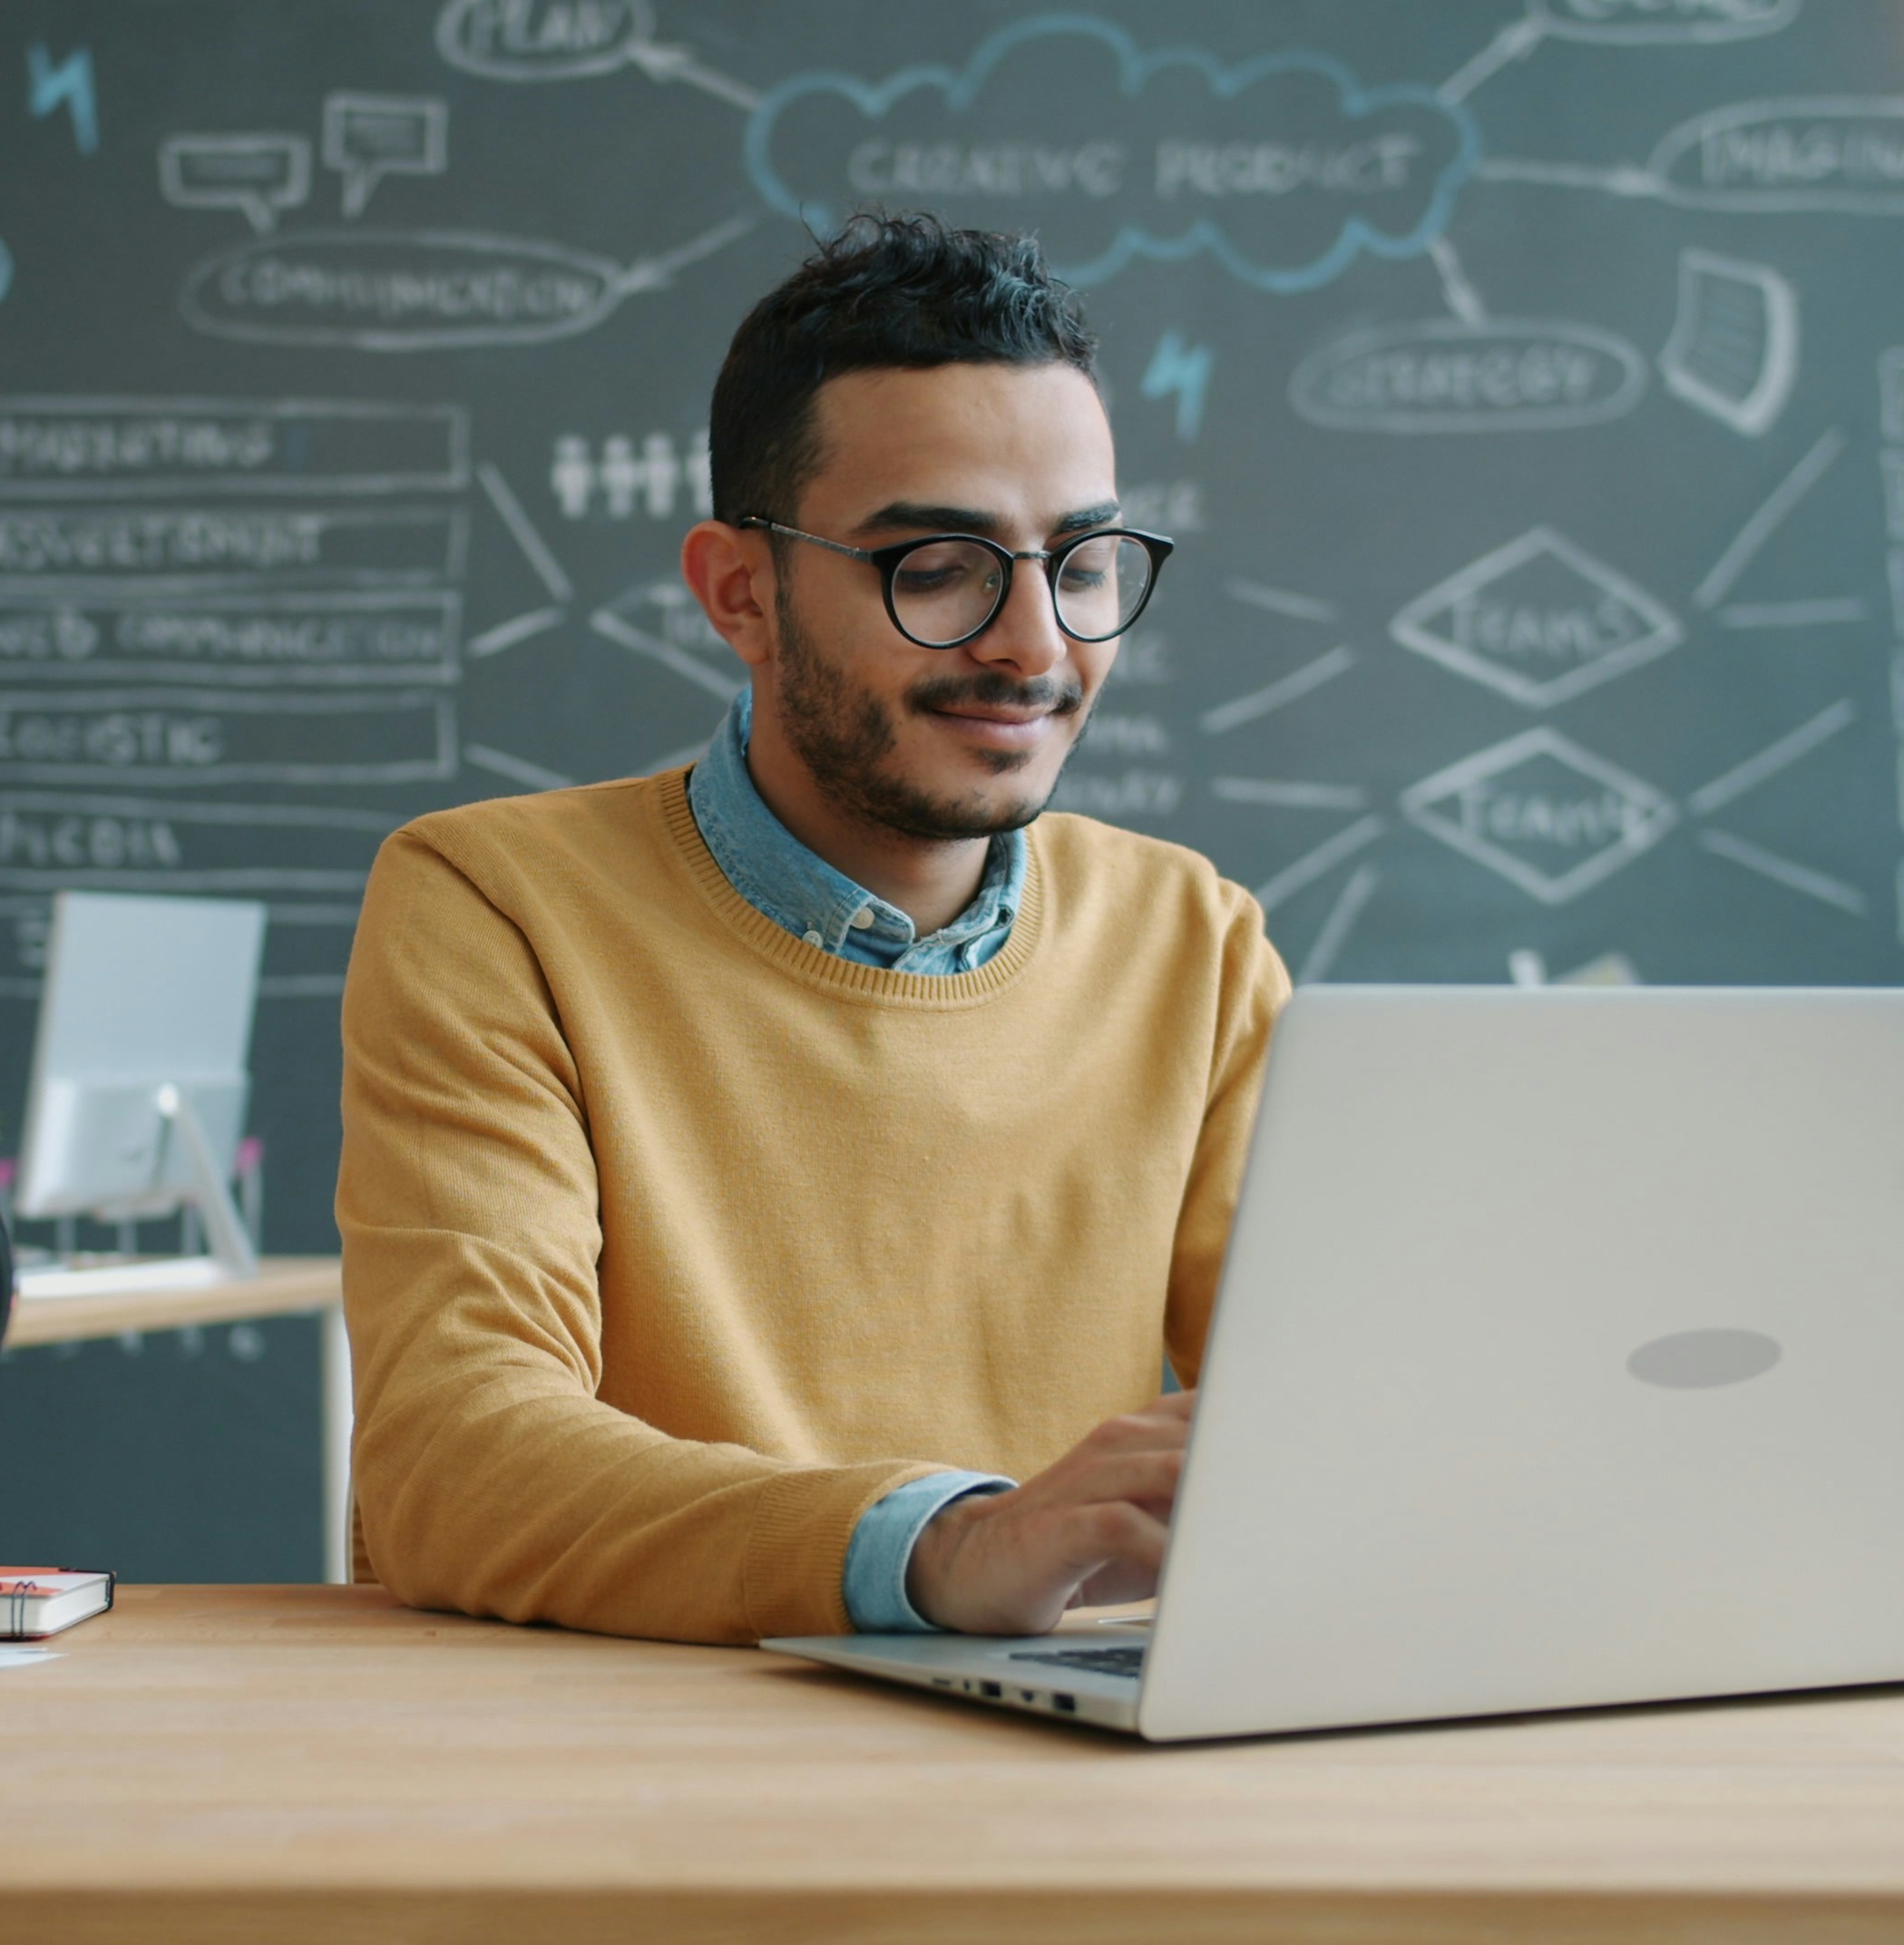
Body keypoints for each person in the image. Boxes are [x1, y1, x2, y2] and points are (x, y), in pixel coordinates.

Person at [338, 213, 1290, 1646]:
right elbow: (453, 1461)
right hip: (628, 1778)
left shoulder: (1193, 942)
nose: (1036, 645)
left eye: (1079, 564)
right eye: (939, 566)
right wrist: (939, 1548)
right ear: (739, 591)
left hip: (1060, 1774)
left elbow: (1334, 1415)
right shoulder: (497, 907)